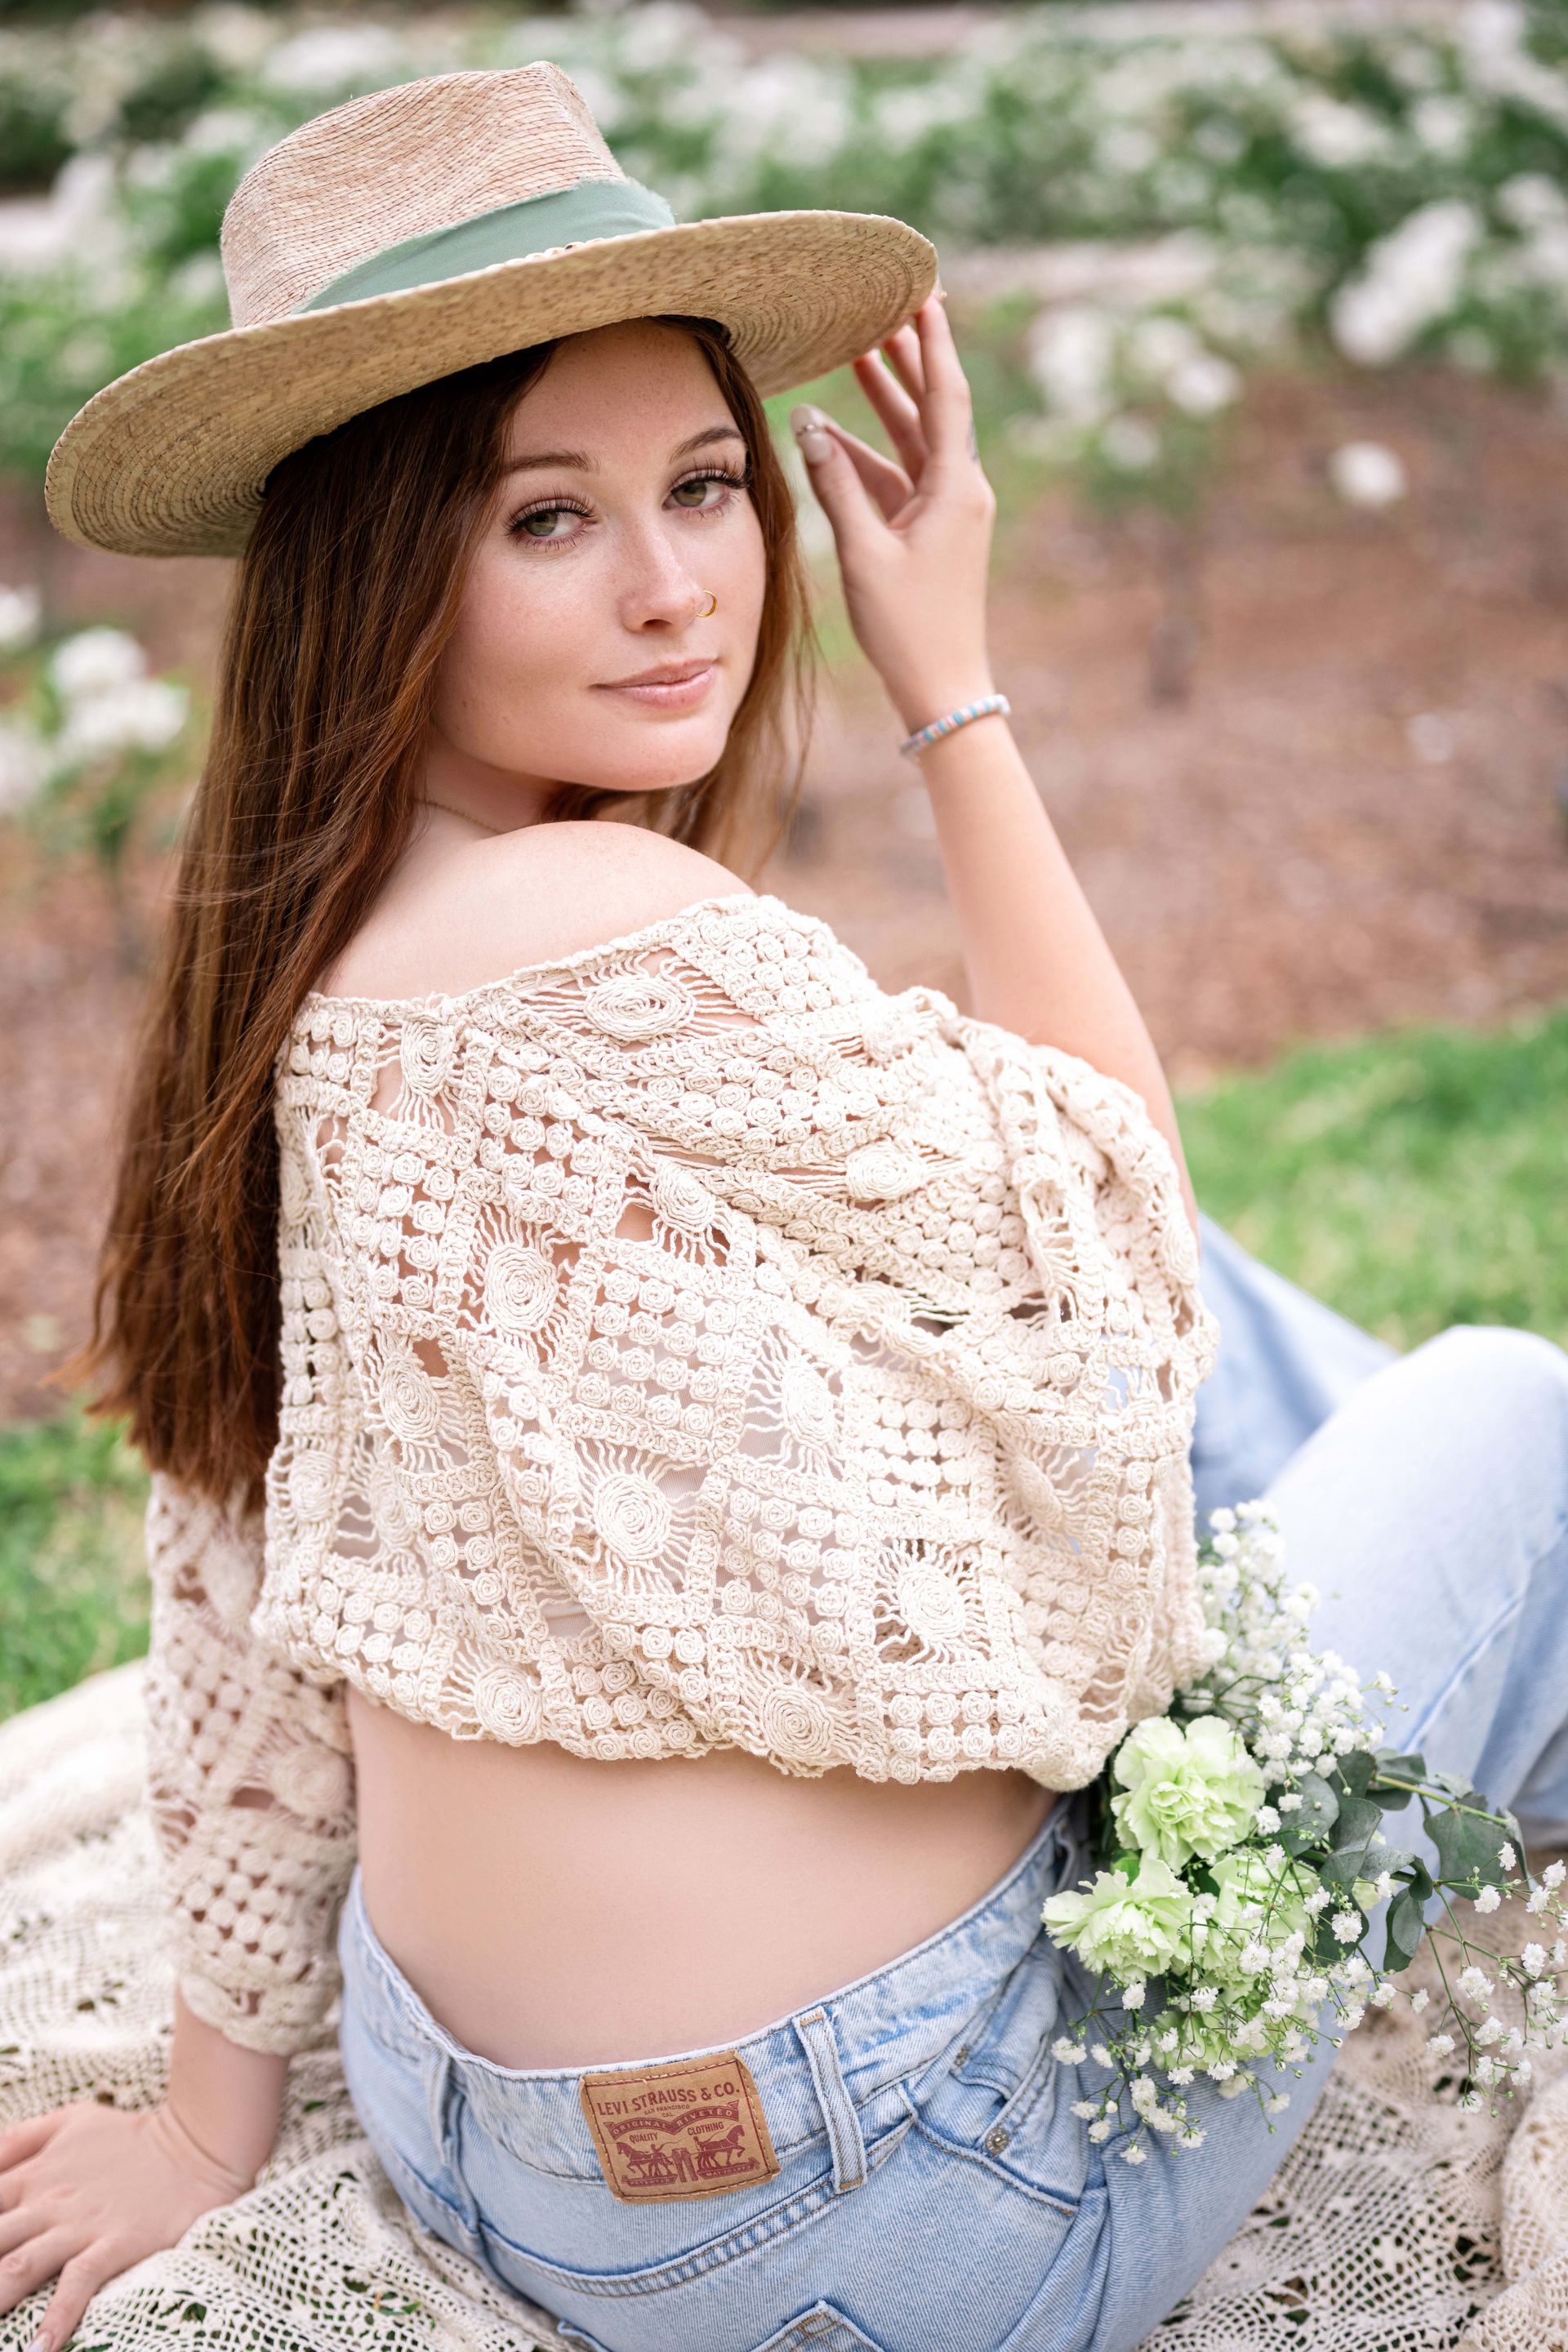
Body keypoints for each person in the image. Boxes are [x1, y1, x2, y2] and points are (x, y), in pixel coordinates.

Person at [4, 64, 1566, 2352]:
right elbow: (1118, 1234)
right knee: (1512, 1412)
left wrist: (214, 2120)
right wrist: (953, 684)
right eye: (550, 519)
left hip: (481, 2124)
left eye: (709, 486)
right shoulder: (593, 926)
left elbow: (245, 1569)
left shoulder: (311, 970)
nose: (677, 588)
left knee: (1180, 1333)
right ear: (376, 556)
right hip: (884, 2193)